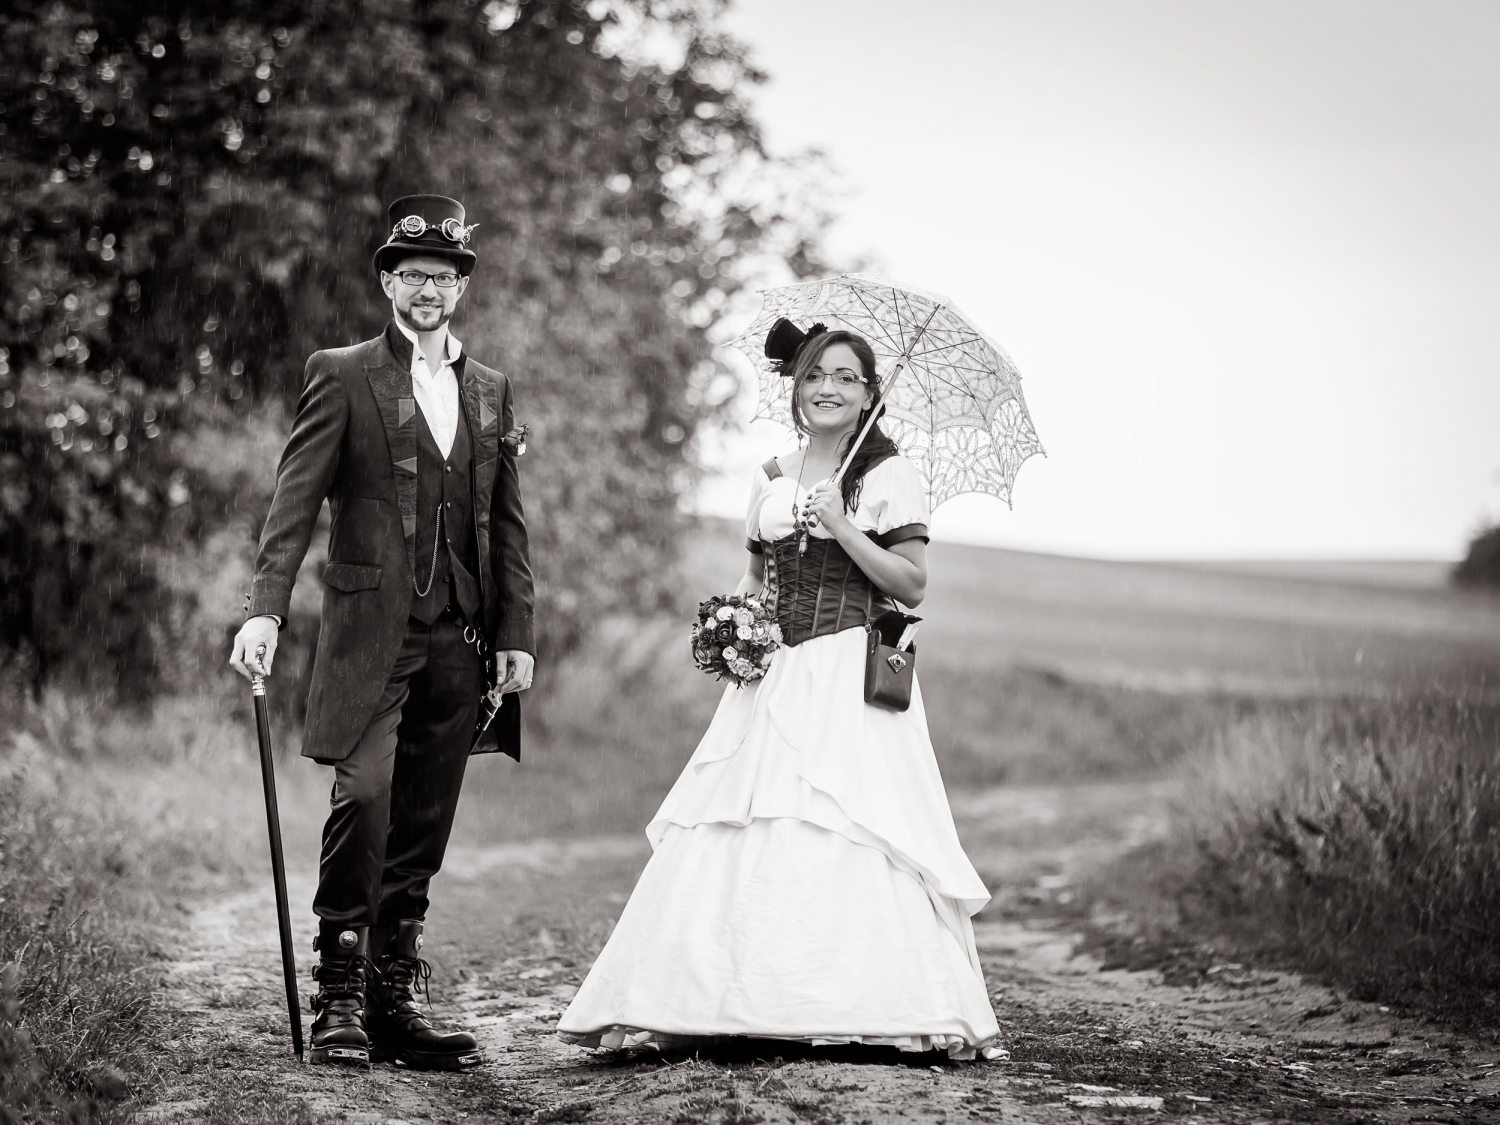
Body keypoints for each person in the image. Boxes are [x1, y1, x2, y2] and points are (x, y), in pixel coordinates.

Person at [557, 320, 1001, 1060]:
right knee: (737, 822)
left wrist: (842, 526)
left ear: (869, 395)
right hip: (773, 676)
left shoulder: (888, 476)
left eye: (847, 376)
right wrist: (731, 623)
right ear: (797, 387)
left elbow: (912, 581)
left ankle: (851, 1000)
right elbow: (756, 575)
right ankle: (711, 1000)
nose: (828, 386)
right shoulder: (769, 473)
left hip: (848, 674)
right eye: (816, 374)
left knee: (843, 827)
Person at [228, 194, 537, 1070]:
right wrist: (265, 608)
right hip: (370, 632)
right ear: (388, 282)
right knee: (364, 795)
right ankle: (339, 992)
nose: (428, 289)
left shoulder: (489, 390)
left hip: (461, 639)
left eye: (443, 275)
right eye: (412, 274)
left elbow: (506, 523)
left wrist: (515, 628)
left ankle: (393, 995)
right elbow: (293, 505)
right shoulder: (342, 370)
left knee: (426, 816)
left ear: (461, 287)